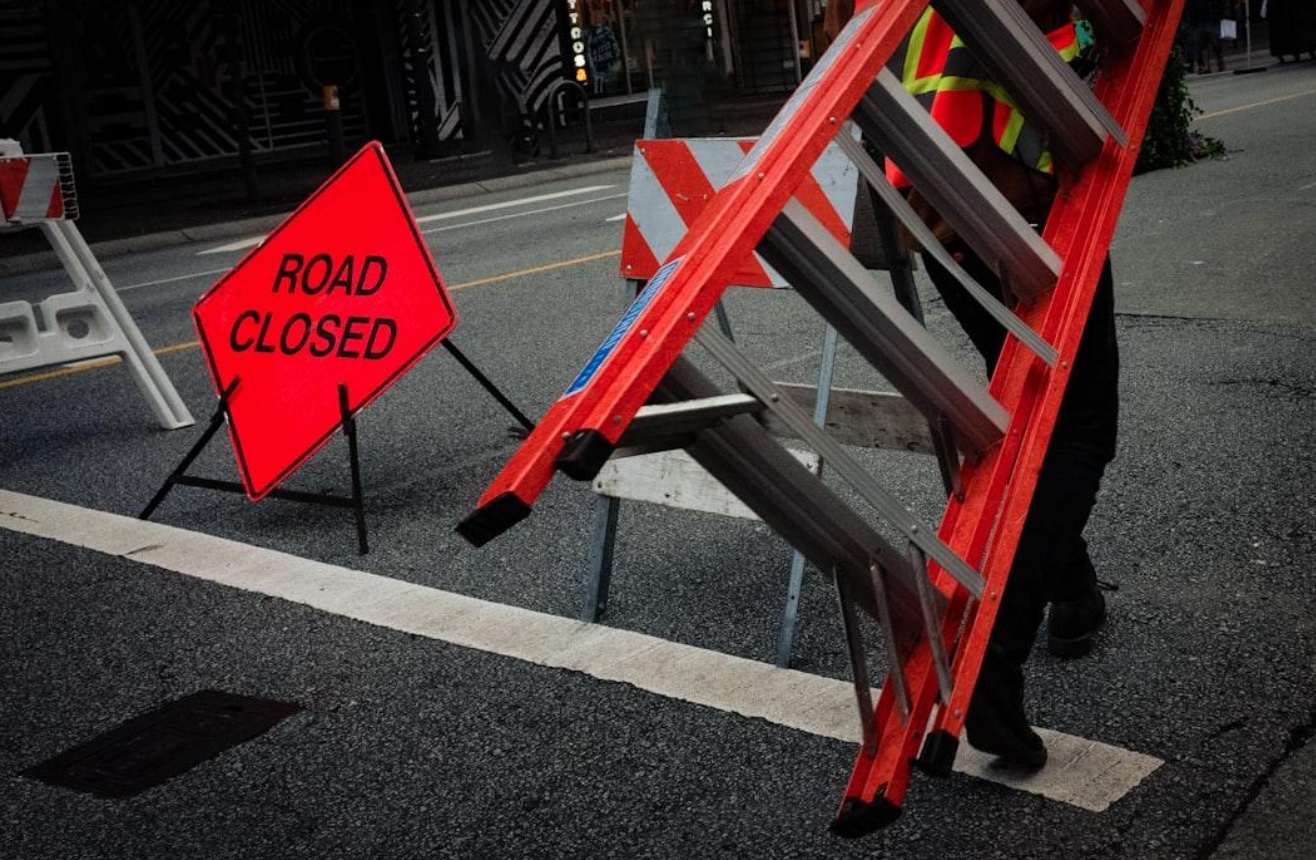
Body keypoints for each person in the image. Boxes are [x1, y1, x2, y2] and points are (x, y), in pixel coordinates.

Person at [825, 0, 1118, 768]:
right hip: (1015, 188)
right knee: (1081, 422)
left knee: (1034, 413)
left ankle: (1072, 594)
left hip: (934, 193)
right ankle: (994, 655)